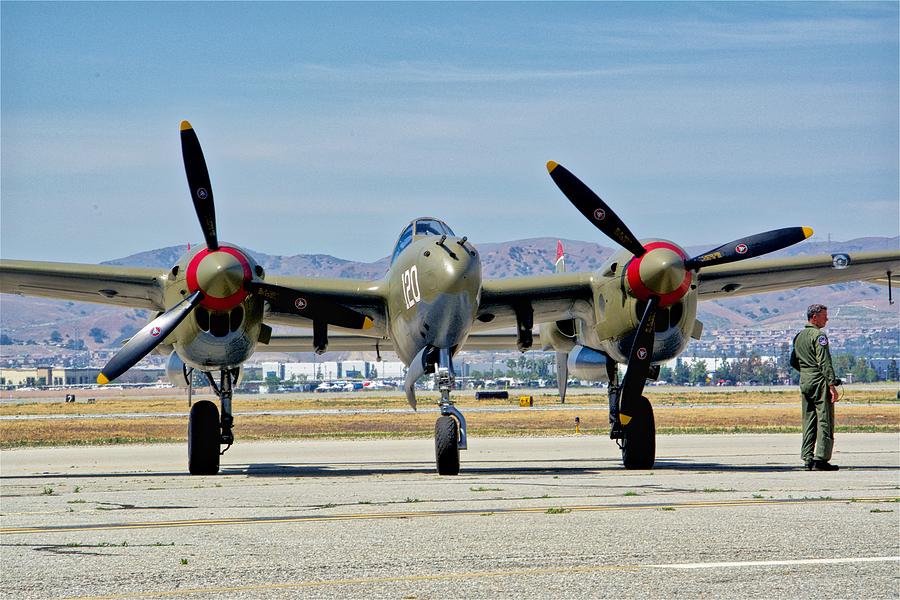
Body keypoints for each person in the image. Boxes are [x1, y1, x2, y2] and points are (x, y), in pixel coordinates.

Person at [792, 304, 840, 471]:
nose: (827, 319)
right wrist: (832, 384)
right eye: (824, 316)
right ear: (814, 317)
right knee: (825, 419)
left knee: (808, 419)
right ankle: (821, 458)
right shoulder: (819, 336)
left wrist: (807, 371)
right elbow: (824, 362)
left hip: (805, 380)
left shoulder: (799, 336)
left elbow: (793, 361)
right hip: (819, 382)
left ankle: (807, 458)